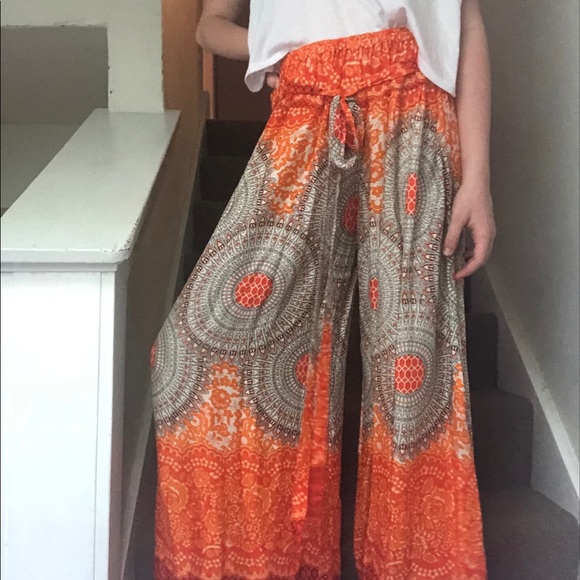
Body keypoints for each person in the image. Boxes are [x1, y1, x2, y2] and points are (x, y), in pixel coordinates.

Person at [150, 0, 496, 578]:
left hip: (413, 108)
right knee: (186, 354)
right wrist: (276, 48)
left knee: (410, 372)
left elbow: (468, 23)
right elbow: (210, 27)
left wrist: (478, 179)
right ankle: (260, 562)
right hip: (305, 105)